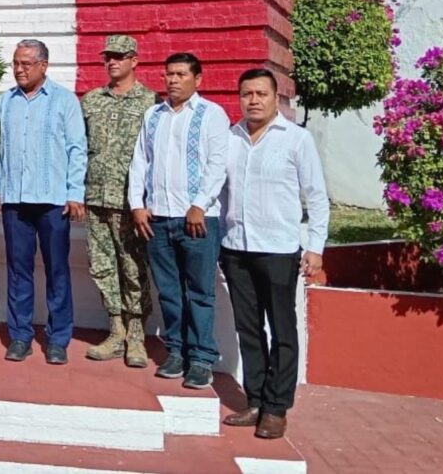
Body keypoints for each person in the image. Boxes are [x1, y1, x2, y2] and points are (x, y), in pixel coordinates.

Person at [219, 68, 329, 439]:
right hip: (236, 249)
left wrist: (315, 246)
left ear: (275, 97)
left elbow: (316, 195)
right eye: (247, 93)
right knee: (248, 329)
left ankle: (276, 408)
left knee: (282, 329)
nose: (253, 100)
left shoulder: (296, 140)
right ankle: (255, 400)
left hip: (279, 251)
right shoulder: (230, 139)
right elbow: (219, 193)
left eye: (261, 94)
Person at [127, 52, 230, 389]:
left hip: (197, 221)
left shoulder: (212, 115)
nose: (173, 80)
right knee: (169, 292)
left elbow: (218, 164)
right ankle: (177, 351)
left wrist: (199, 205)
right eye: (169, 74)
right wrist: (136, 205)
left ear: (197, 79)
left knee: (200, 292)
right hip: (158, 218)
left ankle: (201, 359)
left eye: (181, 74)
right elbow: (140, 161)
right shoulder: (153, 115)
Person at [0, 39, 87, 365]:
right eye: (16, 63)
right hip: (15, 200)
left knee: (57, 270)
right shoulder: (5, 103)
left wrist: (75, 193)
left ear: (44, 65)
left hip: (53, 201)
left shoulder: (64, 101)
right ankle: (20, 336)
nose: (19, 69)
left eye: (26, 63)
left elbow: (77, 149)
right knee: (19, 271)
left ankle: (57, 340)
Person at [80, 35, 159, 368]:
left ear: (134, 61)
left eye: (119, 56)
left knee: (132, 267)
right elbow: (80, 147)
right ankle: (116, 330)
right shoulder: (92, 101)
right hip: (96, 198)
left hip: (131, 203)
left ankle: (137, 336)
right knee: (102, 267)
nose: (112, 62)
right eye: (107, 57)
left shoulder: (151, 102)